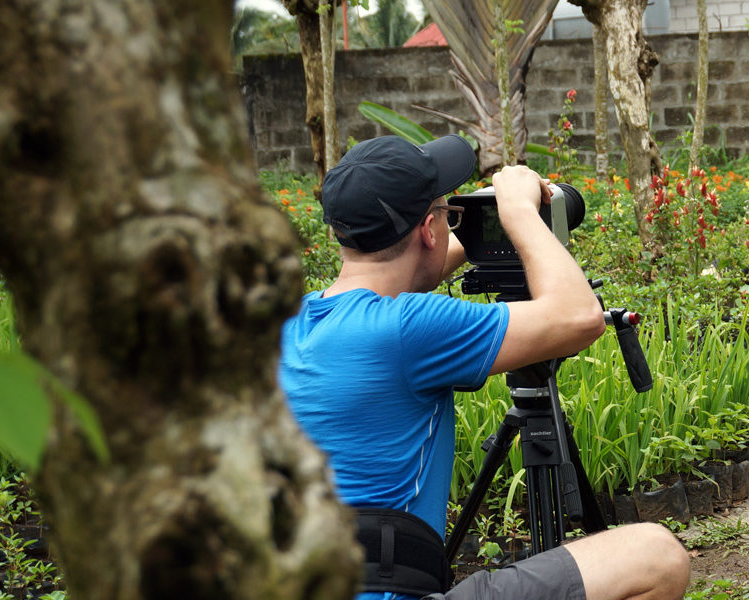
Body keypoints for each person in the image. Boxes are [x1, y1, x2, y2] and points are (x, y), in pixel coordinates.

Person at [279, 134, 690, 600]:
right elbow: (579, 318)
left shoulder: (288, 324)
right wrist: (517, 215)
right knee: (657, 555)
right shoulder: (408, 328)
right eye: (446, 214)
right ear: (429, 232)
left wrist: (485, 230)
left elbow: (410, 267)